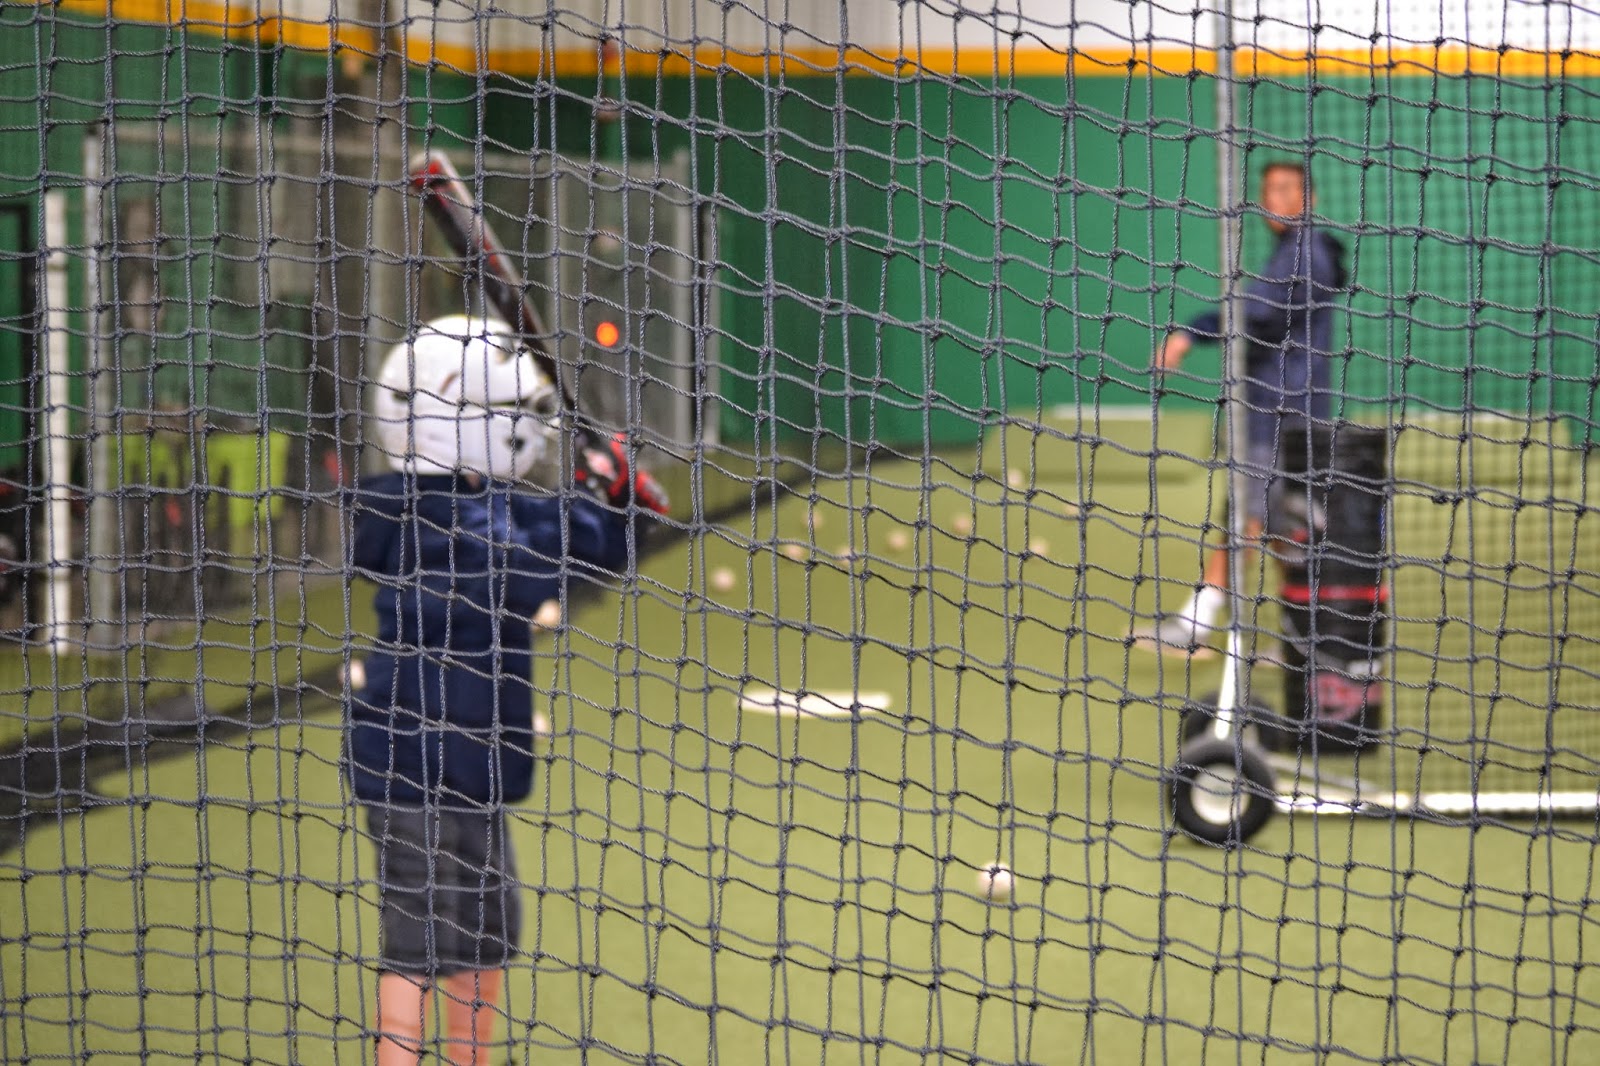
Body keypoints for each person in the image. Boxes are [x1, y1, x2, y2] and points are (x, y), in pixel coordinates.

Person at [346, 314, 668, 1065]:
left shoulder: (486, 500)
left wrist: (624, 505)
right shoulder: (420, 514)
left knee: (487, 930)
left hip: (473, 761)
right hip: (408, 764)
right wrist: (598, 500)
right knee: (418, 938)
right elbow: (531, 564)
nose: (530, 429)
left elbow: (577, 541)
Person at [1137, 161, 1348, 653]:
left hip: (1281, 410)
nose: (1275, 199)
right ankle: (1308, 636)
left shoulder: (1304, 252)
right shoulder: (1295, 250)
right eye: (1269, 190)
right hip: (1287, 407)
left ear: (1309, 198)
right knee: (1280, 522)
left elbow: (1257, 315)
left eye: (1287, 189)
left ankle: (1199, 622)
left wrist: (1191, 331)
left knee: (1248, 516)